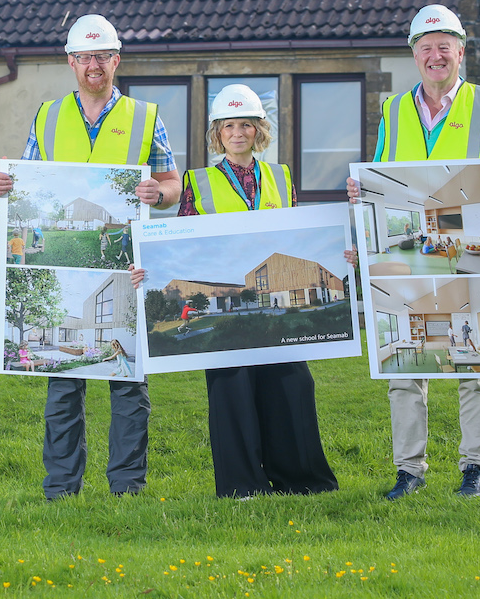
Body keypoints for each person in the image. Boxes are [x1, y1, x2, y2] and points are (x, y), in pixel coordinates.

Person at [0, 13, 181, 500]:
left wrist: (158, 194)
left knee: (129, 379)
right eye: (85, 57)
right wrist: (1, 188)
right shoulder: (48, 116)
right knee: (62, 386)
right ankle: (60, 487)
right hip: (62, 267)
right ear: (71, 62)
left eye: (103, 57)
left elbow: (175, 186)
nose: (94, 65)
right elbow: (27, 186)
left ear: (117, 60)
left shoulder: (145, 116)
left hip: (130, 264)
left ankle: (127, 487)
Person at [346, 4, 480, 500]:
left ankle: (476, 468)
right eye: (425, 47)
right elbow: (382, 169)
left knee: (475, 357)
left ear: (460, 52)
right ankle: (410, 471)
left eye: (444, 46)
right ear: (414, 55)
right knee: (405, 359)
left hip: (470, 250)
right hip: (407, 257)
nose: (435, 55)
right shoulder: (393, 110)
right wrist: (364, 191)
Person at [133, 84, 339, 499]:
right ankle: (242, 485)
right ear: (217, 133)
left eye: (246, 124)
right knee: (233, 392)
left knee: (292, 386)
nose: (238, 132)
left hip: (267, 295)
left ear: (259, 129)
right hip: (230, 285)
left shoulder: (281, 176)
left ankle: (302, 480)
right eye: (229, 126)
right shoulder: (198, 181)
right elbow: (182, 237)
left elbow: (295, 233)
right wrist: (151, 269)